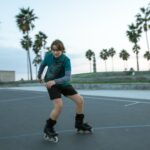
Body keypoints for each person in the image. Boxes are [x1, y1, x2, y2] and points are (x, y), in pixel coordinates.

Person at [38, 39, 92, 139]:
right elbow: (42, 65)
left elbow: (67, 77)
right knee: (59, 105)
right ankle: (48, 128)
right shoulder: (48, 56)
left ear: (62, 50)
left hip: (63, 83)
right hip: (51, 84)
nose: (55, 52)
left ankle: (79, 124)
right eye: (53, 50)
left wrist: (55, 81)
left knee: (80, 100)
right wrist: (39, 76)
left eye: (58, 50)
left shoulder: (66, 60)